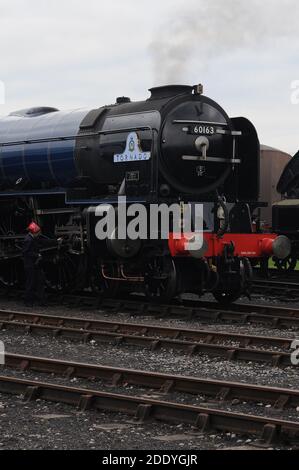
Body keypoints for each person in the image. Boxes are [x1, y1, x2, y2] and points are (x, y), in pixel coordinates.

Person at [22, 222, 62, 307]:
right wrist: (37, 255)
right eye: (38, 232)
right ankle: (28, 301)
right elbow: (25, 252)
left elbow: (44, 242)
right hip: (30, 265)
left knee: (40, 281)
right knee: (31, 283)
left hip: (36, 264)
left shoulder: (34, 238)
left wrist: (56, 241)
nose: (39, 233)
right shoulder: (28, 240)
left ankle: (42, 301)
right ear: (34, 232)